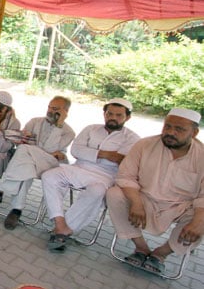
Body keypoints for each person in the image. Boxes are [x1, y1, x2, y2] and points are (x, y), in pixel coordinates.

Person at [106, 108, 203, 275]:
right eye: (167, 126)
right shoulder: (145, 145)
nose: (171, 132)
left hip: (181, 207)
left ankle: (160, 255)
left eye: (179, 129)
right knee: (114, 194)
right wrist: (136, 203)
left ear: (194, 133)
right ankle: (141, 248)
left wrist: (198, 221)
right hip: (144, 199)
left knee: (202, 221)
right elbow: (125, 176)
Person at [42, 98, 140, 251]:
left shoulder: (132, 139)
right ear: (104, 114)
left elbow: (123, 161)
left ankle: (64, 230)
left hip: (106, 175)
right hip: (79, 167)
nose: (113, 118)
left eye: (119, 115)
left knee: (97, 191)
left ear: (127, 117)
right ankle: (60, 225)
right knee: (49, 176)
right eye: (110, 114)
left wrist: (93, 153)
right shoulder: (91, 129)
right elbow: (76, 150)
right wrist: (107, 154)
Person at [0, 96, 76, 230]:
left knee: (24, 152)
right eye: (49, 107)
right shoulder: (35, 121)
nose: (50, 111)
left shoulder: (68, 132)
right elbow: (25, 140)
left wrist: (58, 125)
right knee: (26, 165)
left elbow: (50, 150)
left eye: (55, 109)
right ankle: (16, 211)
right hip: (31, 160)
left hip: (50, 165)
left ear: (65, 112)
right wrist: (38, 148)